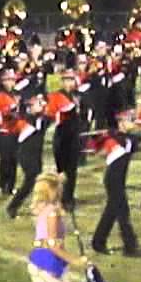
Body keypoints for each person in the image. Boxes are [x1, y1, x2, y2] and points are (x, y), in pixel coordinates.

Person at [89, 112, 141, 257]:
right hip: (113, 180)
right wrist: (102, 136)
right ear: (121, 122)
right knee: (122, 212)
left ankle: (98, 242)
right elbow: (93, 149)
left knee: (111, 212)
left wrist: (112, 133)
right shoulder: (113, 139)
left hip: (119, 180)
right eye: (130, 120)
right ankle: (130, 247)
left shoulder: (127, 139)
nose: (134, 123)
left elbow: (132, 143)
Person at [7, 94, 50, 218]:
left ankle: (36, 204)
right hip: (27, 154)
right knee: (30, 181)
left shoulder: (36, 118)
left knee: (35, 180)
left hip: (35, 154)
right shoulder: (31, 119)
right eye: (38, 104)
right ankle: (13, 206)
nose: (42, 106)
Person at [47, 70, 83, 208]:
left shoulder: (77, 95)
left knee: (72, 170)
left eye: (71, 80)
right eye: (66, 80)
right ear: (62, 81)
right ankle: (59, 196)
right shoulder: (56, 95)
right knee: (61, 170)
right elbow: (52, 113)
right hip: (62, 135)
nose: (69, 83)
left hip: (74, 135)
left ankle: (69, 198)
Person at [0, 69, 21, 195]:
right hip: (4, 132)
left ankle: (11, 186)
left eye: (13, 80)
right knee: (5, 160)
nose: (10, 83)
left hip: (16, 131)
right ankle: (2, 184)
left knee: (14, 159)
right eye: (8, 80)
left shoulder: (17, 95)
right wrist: (9, 110)